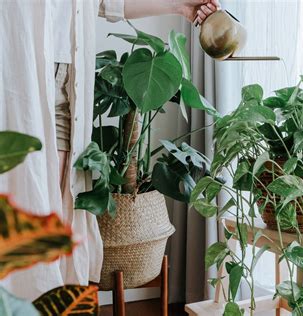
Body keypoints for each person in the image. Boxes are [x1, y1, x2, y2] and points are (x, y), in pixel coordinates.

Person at [0, 0, 219, 300]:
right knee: (25, 198)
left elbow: (107, 2)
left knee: (63, 205)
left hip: (68, 73)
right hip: (18, 65)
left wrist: (181, 6)